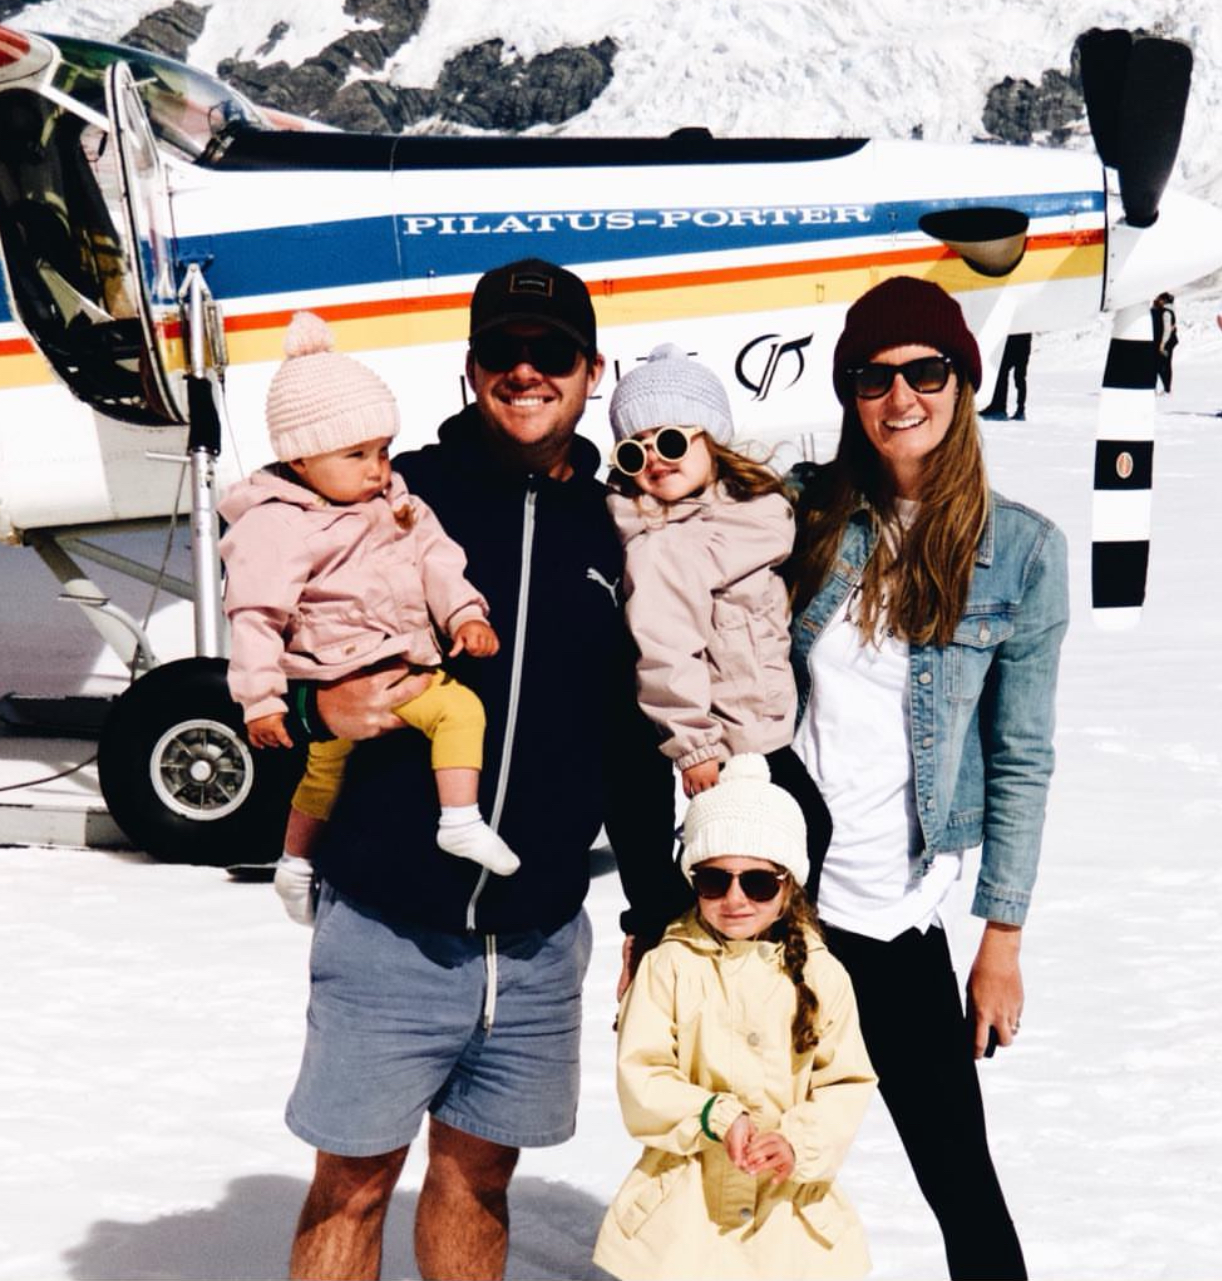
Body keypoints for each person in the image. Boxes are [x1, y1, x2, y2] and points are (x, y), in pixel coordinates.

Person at [280, 258, 693, 1281]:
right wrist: (308, 703)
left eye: (549, 354)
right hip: (388, 920)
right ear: (470, 370)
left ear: (591, 371)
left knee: (478, 1180)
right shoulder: (390, 497)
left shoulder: (620, 526)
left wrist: (653, 904)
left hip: (540, 936)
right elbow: (272, 632)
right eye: (501, 353)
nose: (525, 373)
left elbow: (632, 741)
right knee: (355, 1182)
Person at [786, 276, 1069, 1280]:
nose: (900, 395)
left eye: (925, 371)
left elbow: (1023, 755)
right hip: (774, 911)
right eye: (872, 377)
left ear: (964, 382)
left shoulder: (1024, 553)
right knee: (740, 1174)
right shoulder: (805, 518)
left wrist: (1001, 939)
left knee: (961, 1178)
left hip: (897, 916)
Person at [218, 311, 519, 892]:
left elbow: (437, 556)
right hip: (341, 671)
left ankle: (295, 865)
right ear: (301, 460)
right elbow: (255, 616)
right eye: (356, 455)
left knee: (324, 775)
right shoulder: (276, 526)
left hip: (393, 660)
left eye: (383, 449)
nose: (378, 469)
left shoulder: (394, 501)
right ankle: (459, 819)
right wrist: (261, 700)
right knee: (460, 712)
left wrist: (466, 613)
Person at [593, 754, 876, 1281]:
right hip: (681, 1223)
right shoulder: (667, 966)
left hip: (787, 1219)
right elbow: (642, 1076)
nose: (735, 899)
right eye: (714, 881)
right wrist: (716, 1117)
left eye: (759, 884)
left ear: (788, 885)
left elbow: (845, 1083)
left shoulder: (822, 975)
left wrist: (798, 1142)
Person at [605, 342, 832, 895]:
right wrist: (696, 747)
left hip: (766, 733)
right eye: (633, 454)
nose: (654, 459)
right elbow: (664, 652)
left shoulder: (750, 516)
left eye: (671, 441)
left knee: (785, 854)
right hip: (725, 747)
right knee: (771, 856)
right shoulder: (660, 548)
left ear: (712, 440)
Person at [979, 332, 1031, 421]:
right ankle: (1018, 410)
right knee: (1019, 377)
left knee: (1003, 373)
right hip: (1023, 344)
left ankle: (999, 408)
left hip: (1014, 342)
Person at [1151, 291, 1177, 393]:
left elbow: (1167, 329)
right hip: (1161, 342)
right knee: (1158, 365)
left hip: (1165, 343)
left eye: (1159, 299)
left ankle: (1167, 389)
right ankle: (1159, 388)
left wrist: (1162, 344)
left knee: (1163, 366)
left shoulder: (1166, 312)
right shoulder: (1160, 310)